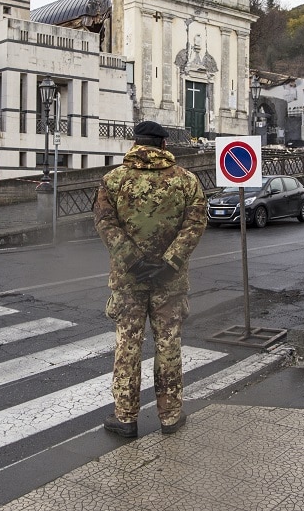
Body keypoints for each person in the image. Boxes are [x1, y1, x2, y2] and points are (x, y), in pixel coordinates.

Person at [93, 120, 207, 438]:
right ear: (164, 145)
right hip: (169, 282)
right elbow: (195, 224)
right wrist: (170, 263)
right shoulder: (186, 181)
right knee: (168, 345)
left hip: (128, 280)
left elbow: (105, 223)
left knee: (127, 346)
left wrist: (133, 260)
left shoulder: (113, 180)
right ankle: (170, 415)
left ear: (136, 143)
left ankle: (125, 417)